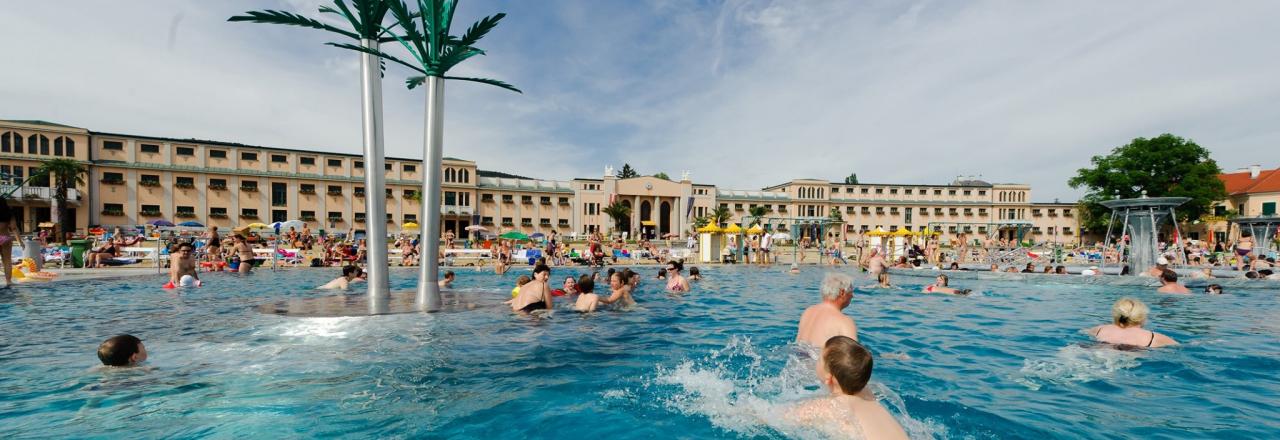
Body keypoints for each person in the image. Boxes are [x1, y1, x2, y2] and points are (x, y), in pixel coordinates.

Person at [785, 336, 909, 440]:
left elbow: (778, 417)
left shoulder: (829, 407)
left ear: (829, 377)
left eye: (819, 360)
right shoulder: (867, 394)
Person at [796, 273, 858, 348]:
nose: (852, 295)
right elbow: (853, 356)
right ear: (842, 293)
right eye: (851, 291)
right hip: (819, 358)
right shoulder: (844, 321)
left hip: (796, 356)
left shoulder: (808, 311)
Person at [1088, 298, 1178, 348]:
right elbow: (1180, 347)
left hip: (1098, 351)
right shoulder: (1155, 338)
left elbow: (1082, 332)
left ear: (1116, 315)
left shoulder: (1099, 329)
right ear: (1143, 318)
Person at [0, 197, 23, 288]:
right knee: (7, 261)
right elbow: (14, 228)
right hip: (5, 237)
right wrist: (20, 241)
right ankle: (9, 281)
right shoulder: (9, 213)